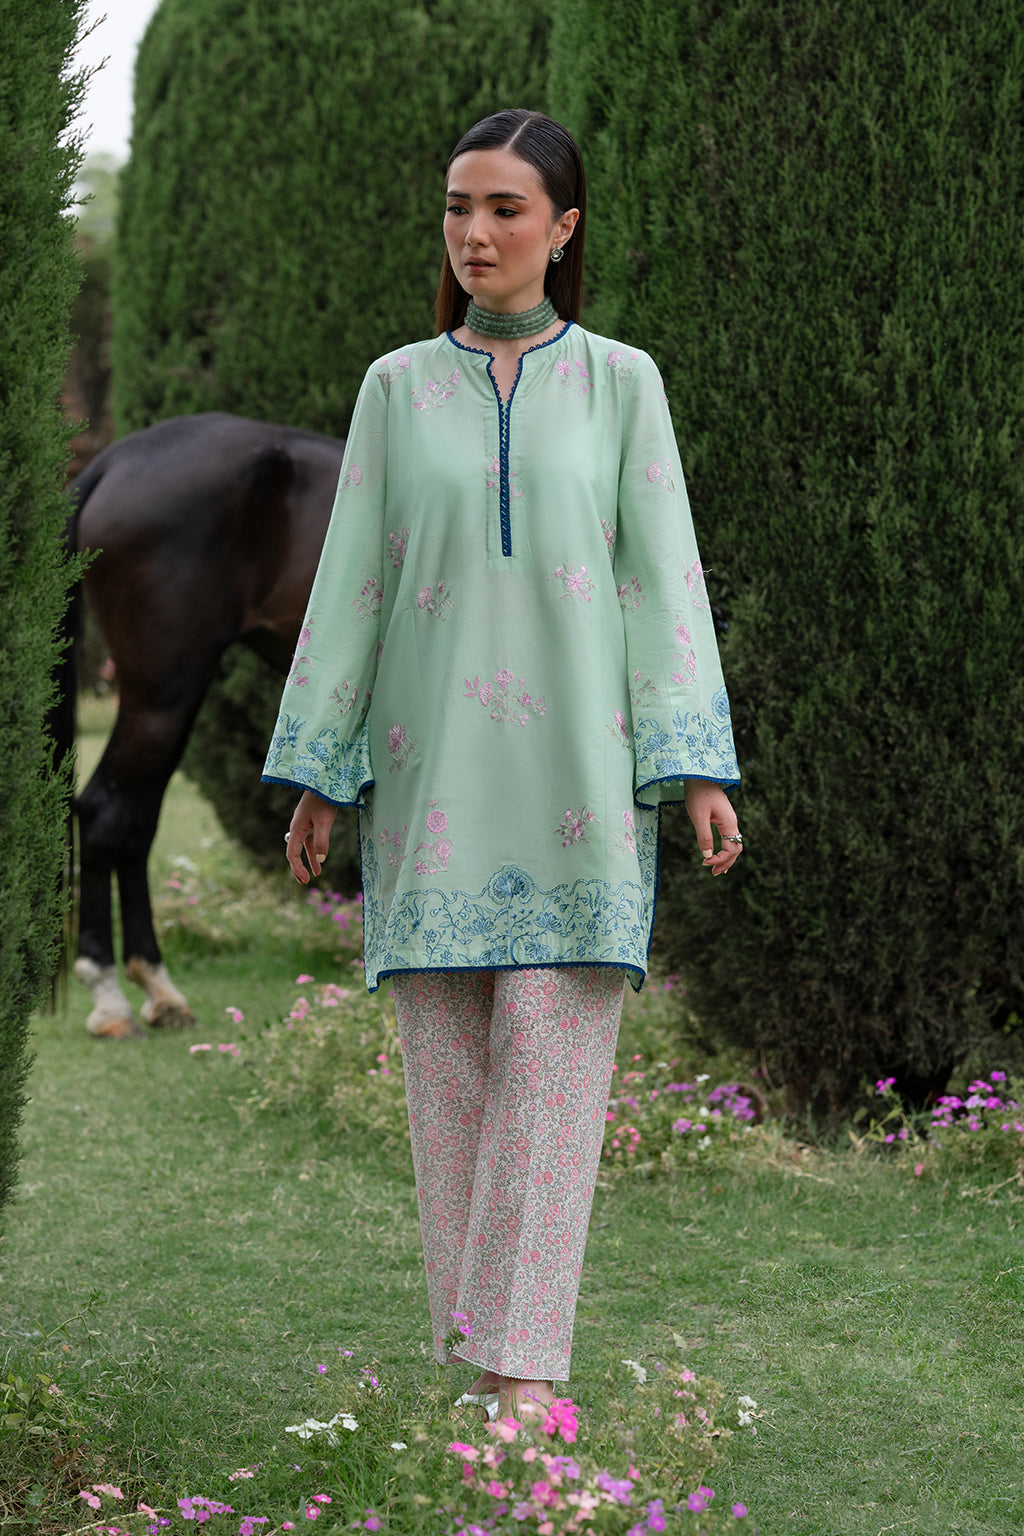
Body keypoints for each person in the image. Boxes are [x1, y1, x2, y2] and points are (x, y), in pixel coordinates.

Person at [263, 109, 741, 1424]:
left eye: (506, 208)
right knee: (454, 1089)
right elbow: (351, 588)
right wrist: (321, 771)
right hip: (432, 791)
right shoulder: (394, 389)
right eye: (458, 207)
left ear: (564, 228)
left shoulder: (624, 384)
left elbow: (664, 582)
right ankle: (484, 1365)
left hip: (581, 788)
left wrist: (697, 765)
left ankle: (523, 1373)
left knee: (550, 1075)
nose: (474, 233)